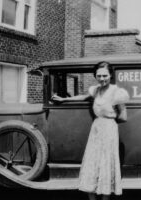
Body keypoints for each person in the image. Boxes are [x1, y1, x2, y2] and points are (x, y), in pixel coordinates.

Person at [51, 61, 129, 200]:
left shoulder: (117, 92)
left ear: (110, 75)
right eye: (99, 76)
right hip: (96, 129)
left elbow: (123, 116)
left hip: (109, 130)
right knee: (93, 162)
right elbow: (83, 97)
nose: (102, 78)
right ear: (95, 76)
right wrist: (64, 99)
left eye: (105, 75)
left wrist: (109, 120)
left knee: (106, 163)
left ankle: (105, 198)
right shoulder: (96, 90)